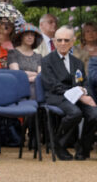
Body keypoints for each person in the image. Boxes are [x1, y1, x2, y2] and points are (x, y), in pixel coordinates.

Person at [40, 25, 97, 160]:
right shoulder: (47, 61)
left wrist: (85, 93)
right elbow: (53, 86)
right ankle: (58, 143)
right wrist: (80, 95)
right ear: (54, 41)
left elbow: (84, 82)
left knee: (94, 114)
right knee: (75, 113)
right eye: (59, 40)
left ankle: (83, 147)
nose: (63, 43)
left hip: (77, 97)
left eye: (66, 40)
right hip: (56, 96)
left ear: (72, 41)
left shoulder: (77, 62)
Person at [8, 23, 43, 89]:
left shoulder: (38, 56)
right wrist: (35, 74)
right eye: (26, 35)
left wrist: (26, 74)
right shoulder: (13, 53)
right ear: (21, 37)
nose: (30, 37)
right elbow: (17, 74)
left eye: (32, 35)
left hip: (36, 87)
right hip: (18, 87)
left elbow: (40, 76)